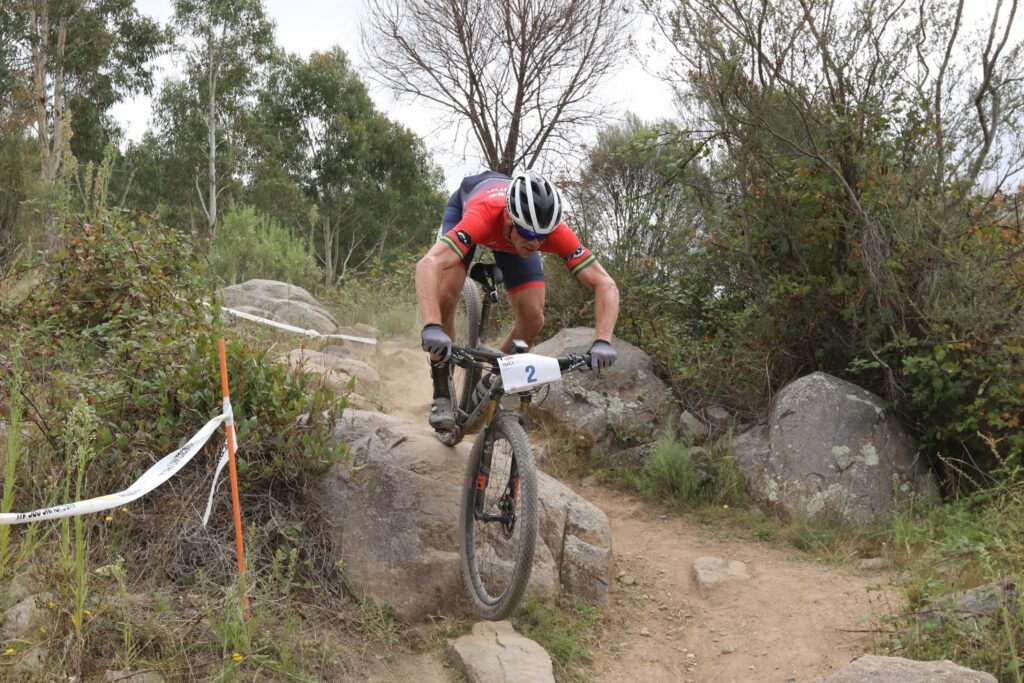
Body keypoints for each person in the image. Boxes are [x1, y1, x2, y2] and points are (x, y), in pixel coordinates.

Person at [415, 168, 620, 430]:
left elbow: (605, 283)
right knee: (445, 297)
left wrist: (603, 339)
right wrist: (432, 325)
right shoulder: (484, 215)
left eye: (543, 236)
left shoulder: (543, 231)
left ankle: (495, 379)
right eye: (530, 235)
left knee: (533, 319)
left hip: (510, 240)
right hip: (469, 212)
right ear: (510, 218)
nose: (536, 243)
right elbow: (428, 264)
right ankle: (441, 390)